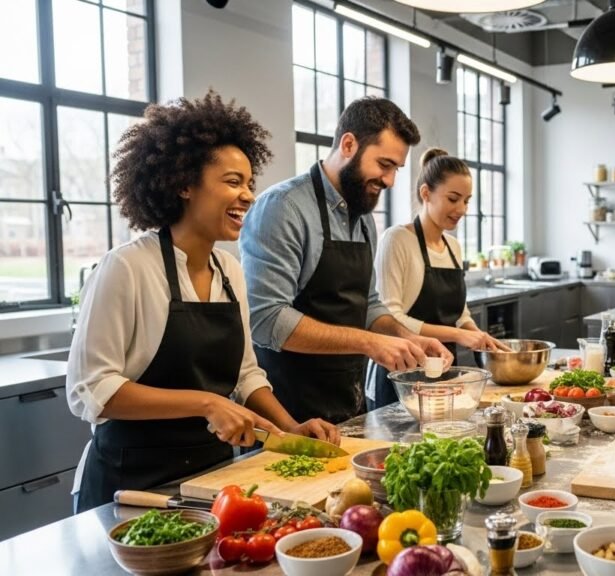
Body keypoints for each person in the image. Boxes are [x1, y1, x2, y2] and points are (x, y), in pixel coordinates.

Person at [67, 92, 339, 513]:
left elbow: (246, 374)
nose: (248, 195)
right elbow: (92, 390)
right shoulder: (127, 268)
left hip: (209, 481)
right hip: (128, 483)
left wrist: (292, 430)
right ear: (184, 184)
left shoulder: (229, 272)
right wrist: (207, 402)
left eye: (250, 183)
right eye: (233, 182)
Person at [241, 97, 451, 423]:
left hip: (348, 409)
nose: (391, 181)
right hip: (288, 417)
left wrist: (405, 338)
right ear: (349, 144)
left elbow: (367, 304)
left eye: (396, 168)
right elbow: (266, 319)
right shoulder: (284, 209)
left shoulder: (363, 217)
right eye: (384, 165)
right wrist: (370, 343)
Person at [366, 148, 508, 409]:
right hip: (401, 375)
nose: (462, 209)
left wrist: (481, 339)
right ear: (425, 193)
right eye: (453, 199)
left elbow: (460, 314)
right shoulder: (397, 240)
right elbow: (389, 315)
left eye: (466, 200)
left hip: (444, 372)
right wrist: (457, 335)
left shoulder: (453, 247)